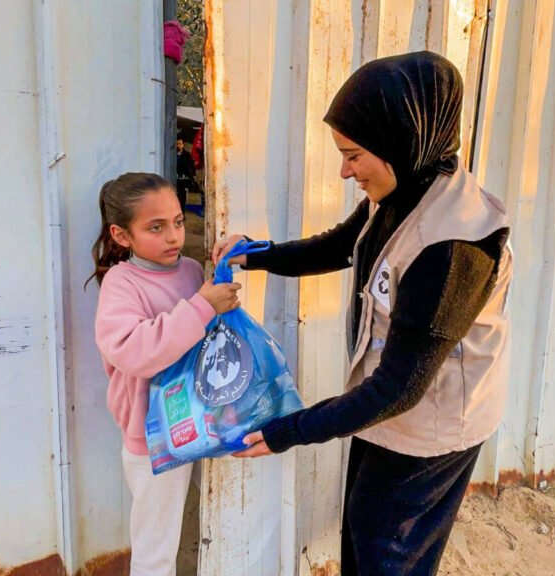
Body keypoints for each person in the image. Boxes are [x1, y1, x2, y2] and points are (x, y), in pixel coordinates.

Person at [212, 52, 513, 575]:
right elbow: (343, 244)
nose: (344, 171)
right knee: (363, 525)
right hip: (389, 405)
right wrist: (256, 255)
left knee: (386, 551)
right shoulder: (405, 183)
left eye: (353, 156)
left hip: (432, 425)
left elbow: (400, 388)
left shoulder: (453, 249)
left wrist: (287, 432)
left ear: (400, 141)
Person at [89, 172, 241, 576]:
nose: (173, 236)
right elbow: (133, 351)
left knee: (219, 515)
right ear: (122, 236)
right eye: (155, 228)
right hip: (155, 436)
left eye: (177, 222)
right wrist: (203, 306)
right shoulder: (122, 283)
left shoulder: (190, 270)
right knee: (155, 550)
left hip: (202, 420)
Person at [175, 138, 197, 209]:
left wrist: (193, 176)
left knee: (182, 197)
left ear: (182, 145)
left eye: (180, 144)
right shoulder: (172, 155)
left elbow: (191, 166)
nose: (178, 146)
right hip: (175, 179)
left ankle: (182, 210)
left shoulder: (187, 155)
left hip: (184, 179)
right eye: (177, 144)